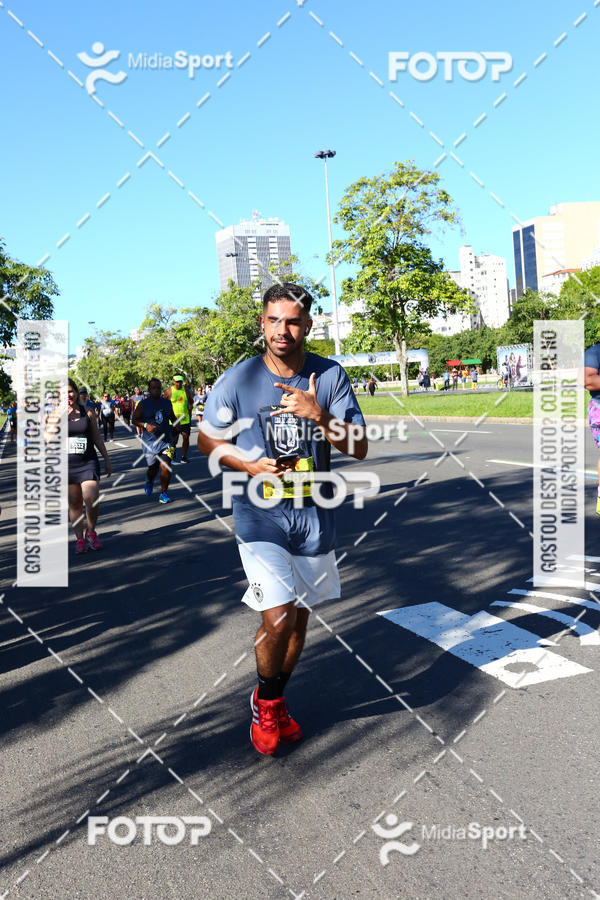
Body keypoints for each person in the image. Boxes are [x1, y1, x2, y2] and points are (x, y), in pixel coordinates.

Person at [197, 282, 367, 756]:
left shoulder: (330, 376)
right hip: (259, 514)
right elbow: (206, 442)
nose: (282, 330)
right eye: (273, 320)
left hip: (314, 515)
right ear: (262, 324)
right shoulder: (240, 378)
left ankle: (271, 695)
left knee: (299, 622)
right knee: (277, 613)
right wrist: (247, 465)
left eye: (292, 321)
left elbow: (359, 446)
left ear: (308, 325)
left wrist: (319, 416)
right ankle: (267, 706)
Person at [67, 379, 112, 553]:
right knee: (75, 504)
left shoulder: (88, 411)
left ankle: (91, 532)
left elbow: (97, 438)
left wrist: (107, 459)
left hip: (88, 462)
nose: (68, 396)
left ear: (76, 393)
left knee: (91, 496)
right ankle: (79, 539)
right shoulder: (55, 415)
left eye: (70, 391)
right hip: (68, 465)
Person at [132, 378, 176, 503]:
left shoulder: (167, 403)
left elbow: (172, 418)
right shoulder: (143, 404)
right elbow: (134, 420)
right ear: (149, 390)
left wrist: (177, 425)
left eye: (158, 388)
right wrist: (145, 425)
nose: (156, 390)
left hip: (166, 441)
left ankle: (163, 493)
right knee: (153, 468)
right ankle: (149, 480)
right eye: (153, 388)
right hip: (150, 443)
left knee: (166, 466)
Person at [164, 375, 193, 464]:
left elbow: (191, 401)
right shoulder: (169, 391)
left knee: (186, 437)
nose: (179, 383)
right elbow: (162, 403)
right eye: (177, 381)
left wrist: (190, 407)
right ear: (173, 381)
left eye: (180, 381)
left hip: (185, 419)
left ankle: (184, 457)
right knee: (174, 440)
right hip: (173, 420)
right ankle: (171, 458)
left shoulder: (186, 391)